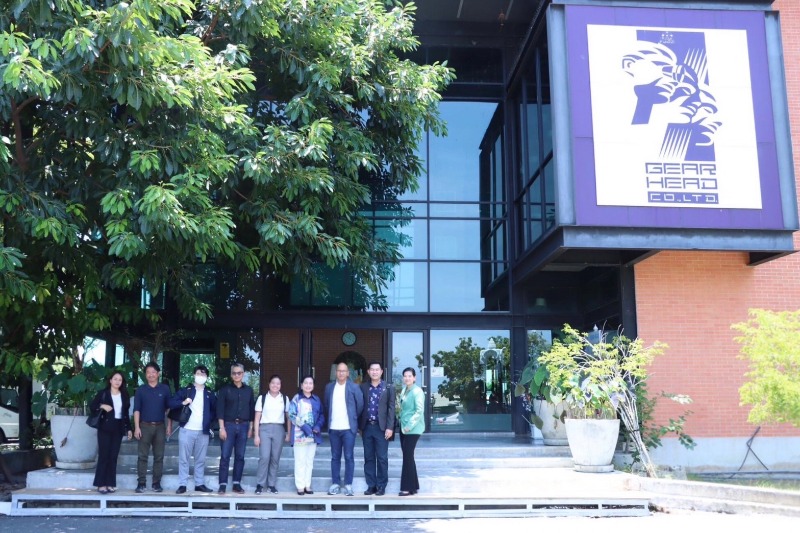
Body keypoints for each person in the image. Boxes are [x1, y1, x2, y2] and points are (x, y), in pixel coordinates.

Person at [170, 365, 217, 494]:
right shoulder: (186, 390)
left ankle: (199, 484)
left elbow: (215, 409)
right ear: (194, 375)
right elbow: (171, 403)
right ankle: (182, 484)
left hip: (203, 431)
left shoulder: (209, 393)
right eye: (198, 374)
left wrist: (209, 421)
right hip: (187, 430)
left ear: (207, 377)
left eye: (203, 374)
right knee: (184, 459)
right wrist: (183, 402)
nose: (200, 376)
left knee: (200, 459)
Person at [324, 362, 364, 496]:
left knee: (349, 456)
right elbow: (327, 405)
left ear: (348, 373)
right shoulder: (329, 387)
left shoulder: (354, 387)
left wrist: (353, 418)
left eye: (344, 371)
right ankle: (335, 483)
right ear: (336, 373)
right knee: (335, 457)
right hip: (334, 428)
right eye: (339, 371)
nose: (341, 373)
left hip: (348, 429)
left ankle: (348, 484)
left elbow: (360, 405)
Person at [90, 371, 133, 494]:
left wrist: (129, 429)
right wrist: (102, 406)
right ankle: (101, 484)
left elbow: (125, 414)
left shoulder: (124, 395)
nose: (117, 381)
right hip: (105, 427)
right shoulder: (103, 393)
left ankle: (110, 483)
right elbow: (92, 406)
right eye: (115, 379)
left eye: (120, 380)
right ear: (110, 380)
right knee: (104, 455)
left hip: (118, 427)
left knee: (113, 456)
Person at [216, 362, 255, 494]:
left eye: (239, 373)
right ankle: (222, 484)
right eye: (234, 373)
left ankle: (236, 483)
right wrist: (221, 428)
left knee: (240, 456)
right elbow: (220, 410)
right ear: (231, 374)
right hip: (228, 425)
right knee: (225, 455)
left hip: (244, 426)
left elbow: (251, 410)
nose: (237, 375)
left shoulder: (249, 390)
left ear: (243, 374)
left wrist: (251, 428)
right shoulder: (224, 390)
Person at [133, 362, 171, 493]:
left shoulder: (165, 389)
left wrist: (169, 425)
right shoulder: (141, 390)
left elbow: (169, 409)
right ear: (145, 375)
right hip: (144, 426)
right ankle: (141, 483)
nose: (151, 375)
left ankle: (156, 483)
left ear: (158, 374)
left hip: (160, 426)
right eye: (148, 372)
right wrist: (136, 427)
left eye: (153, 372)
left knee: (159, 456)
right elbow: (136, 410)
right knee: (142, 456)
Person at [359, 361, 395, 496]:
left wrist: (390, 427)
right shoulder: (363, 387)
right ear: (368, 372)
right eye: (372, 370)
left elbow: (391, 408)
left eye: (377, 370)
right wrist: (359, 426)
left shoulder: (388, 388)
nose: (374, 372)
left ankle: (381, 485)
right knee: (368, 457)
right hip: (367, 427)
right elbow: (359, 406)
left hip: (382, 428)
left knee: (382, 458)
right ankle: (371, 485)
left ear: (381, 372)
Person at [287, 375, 325, 495]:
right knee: (300, 461)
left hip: (313, 435)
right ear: (301, 385)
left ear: (313, 385)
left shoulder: (316, 399)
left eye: (310, 383)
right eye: (306, 383)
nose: (308, 385)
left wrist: (318, 427)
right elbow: (291, 414)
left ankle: (307, 485)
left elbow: (321, 415)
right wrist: (304, 426)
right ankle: (300, 486)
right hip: (300, 435)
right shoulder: (296, 398)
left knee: (309, 461)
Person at [253, 374, 290, 494]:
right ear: (269, 384)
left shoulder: (285, 399)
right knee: (264, 457)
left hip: (279, 429)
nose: (275, 385)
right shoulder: (262, 398)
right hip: (264, 429)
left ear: (281, 385)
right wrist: (256, 435)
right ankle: (260, 484)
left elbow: (288, 418)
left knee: (275, 458)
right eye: (273, 383)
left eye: (278, 383)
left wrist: (288, 433)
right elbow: (257, 418)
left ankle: (271, 485)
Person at [398, 367, 425, 496]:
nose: (407, 378)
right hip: (403, 427)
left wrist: (409, 425)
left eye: (410, 376)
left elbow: (419, 411)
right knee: (408, 456)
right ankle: (414, 487)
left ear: (414, 378)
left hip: (413, 429)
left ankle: (407, 488)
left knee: (407, 456)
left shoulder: (417, 391)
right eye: (405, 376)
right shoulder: (404, 390)